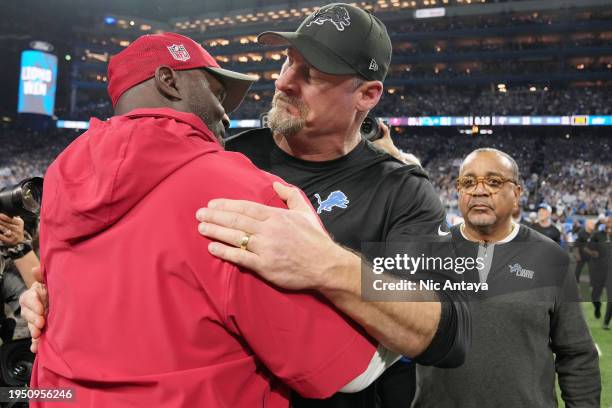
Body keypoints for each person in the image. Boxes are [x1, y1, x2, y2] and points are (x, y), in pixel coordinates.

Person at [22, 5, 471, 408]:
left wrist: (329, 265)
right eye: (287, 61)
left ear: (367, 95)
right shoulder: (218, 159)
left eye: (311, 73)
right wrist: (56, 298)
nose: (283, 81)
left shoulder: (402, 189)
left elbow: (447, 331)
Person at [191, 148, 601, 407]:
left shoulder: (551, 258)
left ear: (517, 193)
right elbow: (371, 302)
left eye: (493, 183)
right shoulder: (426, 249)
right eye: (468, 183)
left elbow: (576, 354)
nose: (479, 191)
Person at [588, 217, 612, 328]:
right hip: (599, 270)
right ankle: (597, 307)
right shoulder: (597, 235)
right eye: (609, 222)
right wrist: (592, 252)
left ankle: (606, 322)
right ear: (606, 224)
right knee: (594, 296)